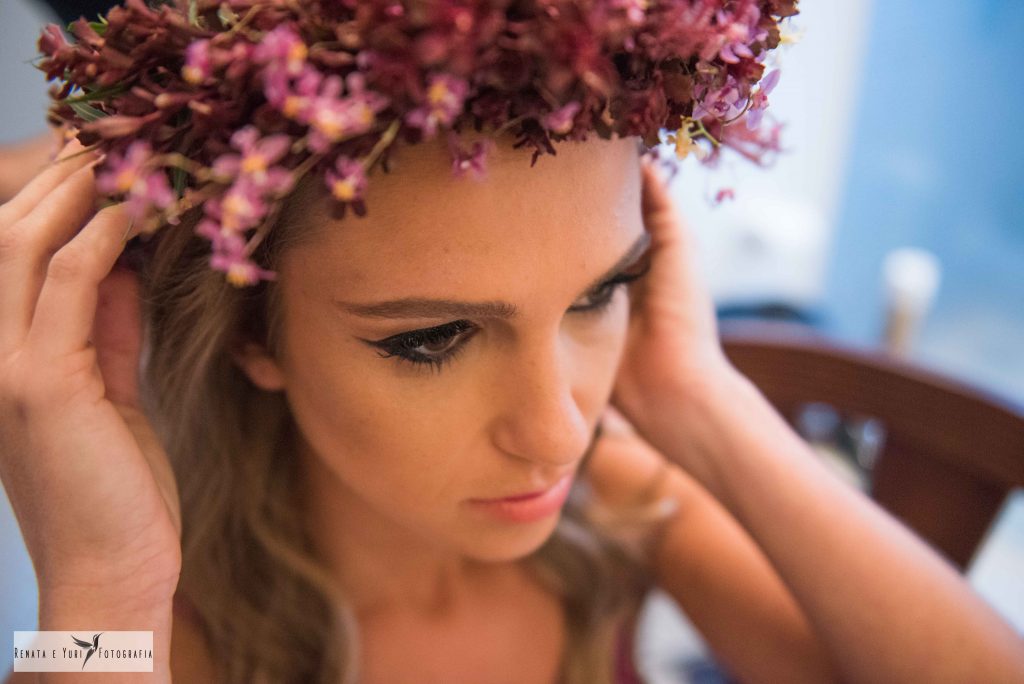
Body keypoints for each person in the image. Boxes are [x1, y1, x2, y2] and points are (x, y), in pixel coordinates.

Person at [3, 2, 1024, 683]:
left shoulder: (615, 502)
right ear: (248, 337)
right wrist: (96, 583)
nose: (555, 432)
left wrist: (702, 403)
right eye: (434, 339)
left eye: (600, 291)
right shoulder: (152, 631)